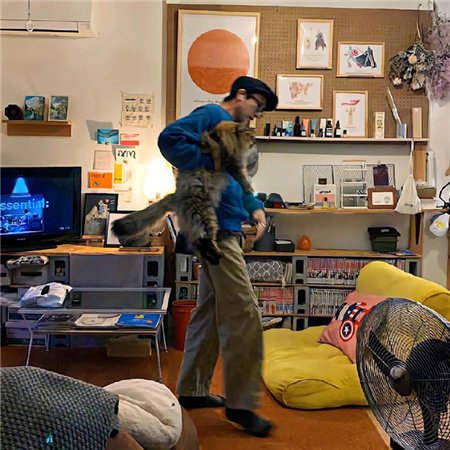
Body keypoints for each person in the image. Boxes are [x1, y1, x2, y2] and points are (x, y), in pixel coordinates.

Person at [158, 76, 278, 438]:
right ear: (240, 95)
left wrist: (255, 207)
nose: (256, 115)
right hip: (214, 232)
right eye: (257, 106)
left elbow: (237, 179)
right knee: (244, 313)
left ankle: (192, 390)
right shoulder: (212, 114)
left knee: (209, 310)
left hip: (225, 228)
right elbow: (169, 139)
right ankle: (241, 405)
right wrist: (208, 161)